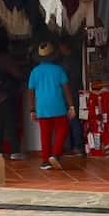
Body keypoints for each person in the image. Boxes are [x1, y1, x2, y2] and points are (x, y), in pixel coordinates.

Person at [27, 41, 75, 169]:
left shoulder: (34, 72)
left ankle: (45, 161)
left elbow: (31, 92)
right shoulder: (58, 70)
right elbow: (66, 89)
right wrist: (71, 106)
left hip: (42, 107)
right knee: (62, 129)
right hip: (57, 105)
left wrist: (32, 109)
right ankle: (55, 154)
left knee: (45, 133)